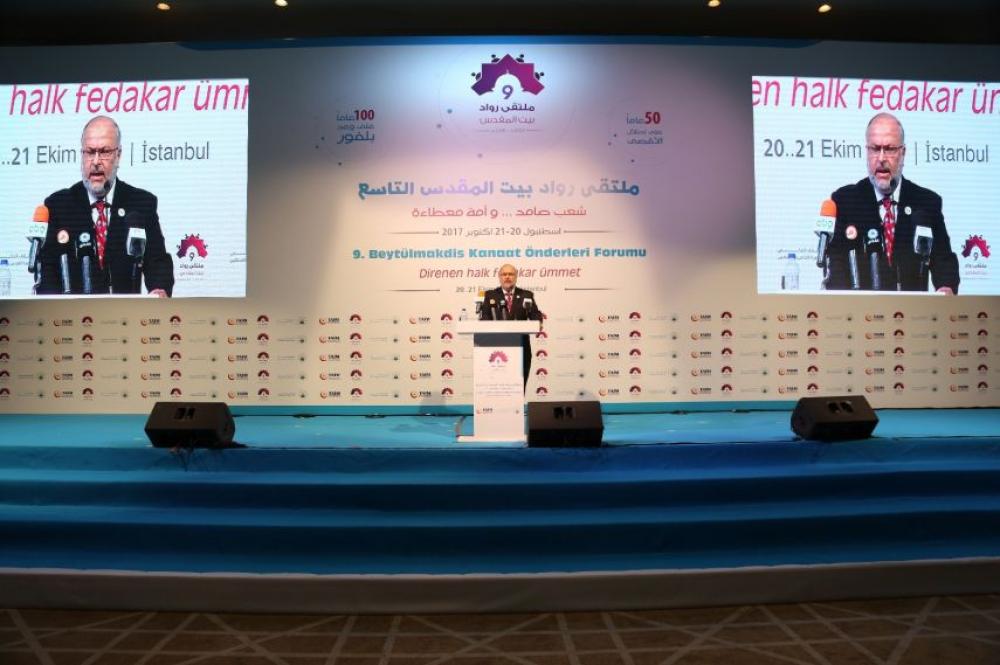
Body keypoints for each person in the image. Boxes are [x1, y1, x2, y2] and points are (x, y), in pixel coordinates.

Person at [37, 115, 173, 296]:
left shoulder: (141, 203)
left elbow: (158, 263)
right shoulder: (58, 206)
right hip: (72, 313)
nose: (95, 162)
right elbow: (47, 271)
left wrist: (159, 289)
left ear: (118, 155)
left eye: (104, 152)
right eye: (89, 152)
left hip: (125, 312)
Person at [825, 112, 959, 293]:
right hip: (860, 309)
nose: (881, 158)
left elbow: (944, 262)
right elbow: (835, 266)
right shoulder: (845, 201)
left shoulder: (926, 203)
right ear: (867, 151)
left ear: (903, 153)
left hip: (913, 309)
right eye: (875, 149)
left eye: (889, 149)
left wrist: (946, 287)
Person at [479, 263, 543, 386]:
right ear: (499, 277)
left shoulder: (526, 295)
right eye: (504, 274)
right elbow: (485, 316)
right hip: (497, 347)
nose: (507, 277)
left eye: (511, 274)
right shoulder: (490, 295)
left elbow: (535, 314)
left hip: (522, 346)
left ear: (516, 276)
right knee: (499, 385)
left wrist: (538, 321)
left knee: (520, 384)